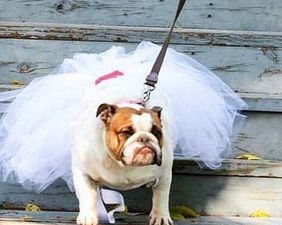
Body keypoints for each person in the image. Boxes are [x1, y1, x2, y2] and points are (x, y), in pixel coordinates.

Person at [0, 42, 245, 193]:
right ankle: (95, 193)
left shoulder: (155, 114)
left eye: (153, 134)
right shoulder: (95, 119)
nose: (144, 141)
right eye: (130, 133)